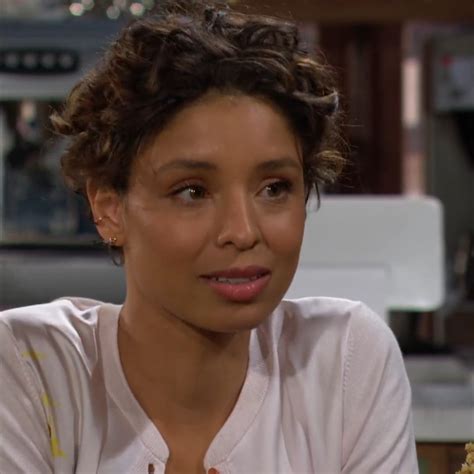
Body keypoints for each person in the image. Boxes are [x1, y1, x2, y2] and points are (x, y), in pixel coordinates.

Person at [0, 1, 418, 472]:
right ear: (109, 207)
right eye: (193, 191)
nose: (243, 231)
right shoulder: (31, 366)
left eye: (274, 188)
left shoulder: (343, 360)